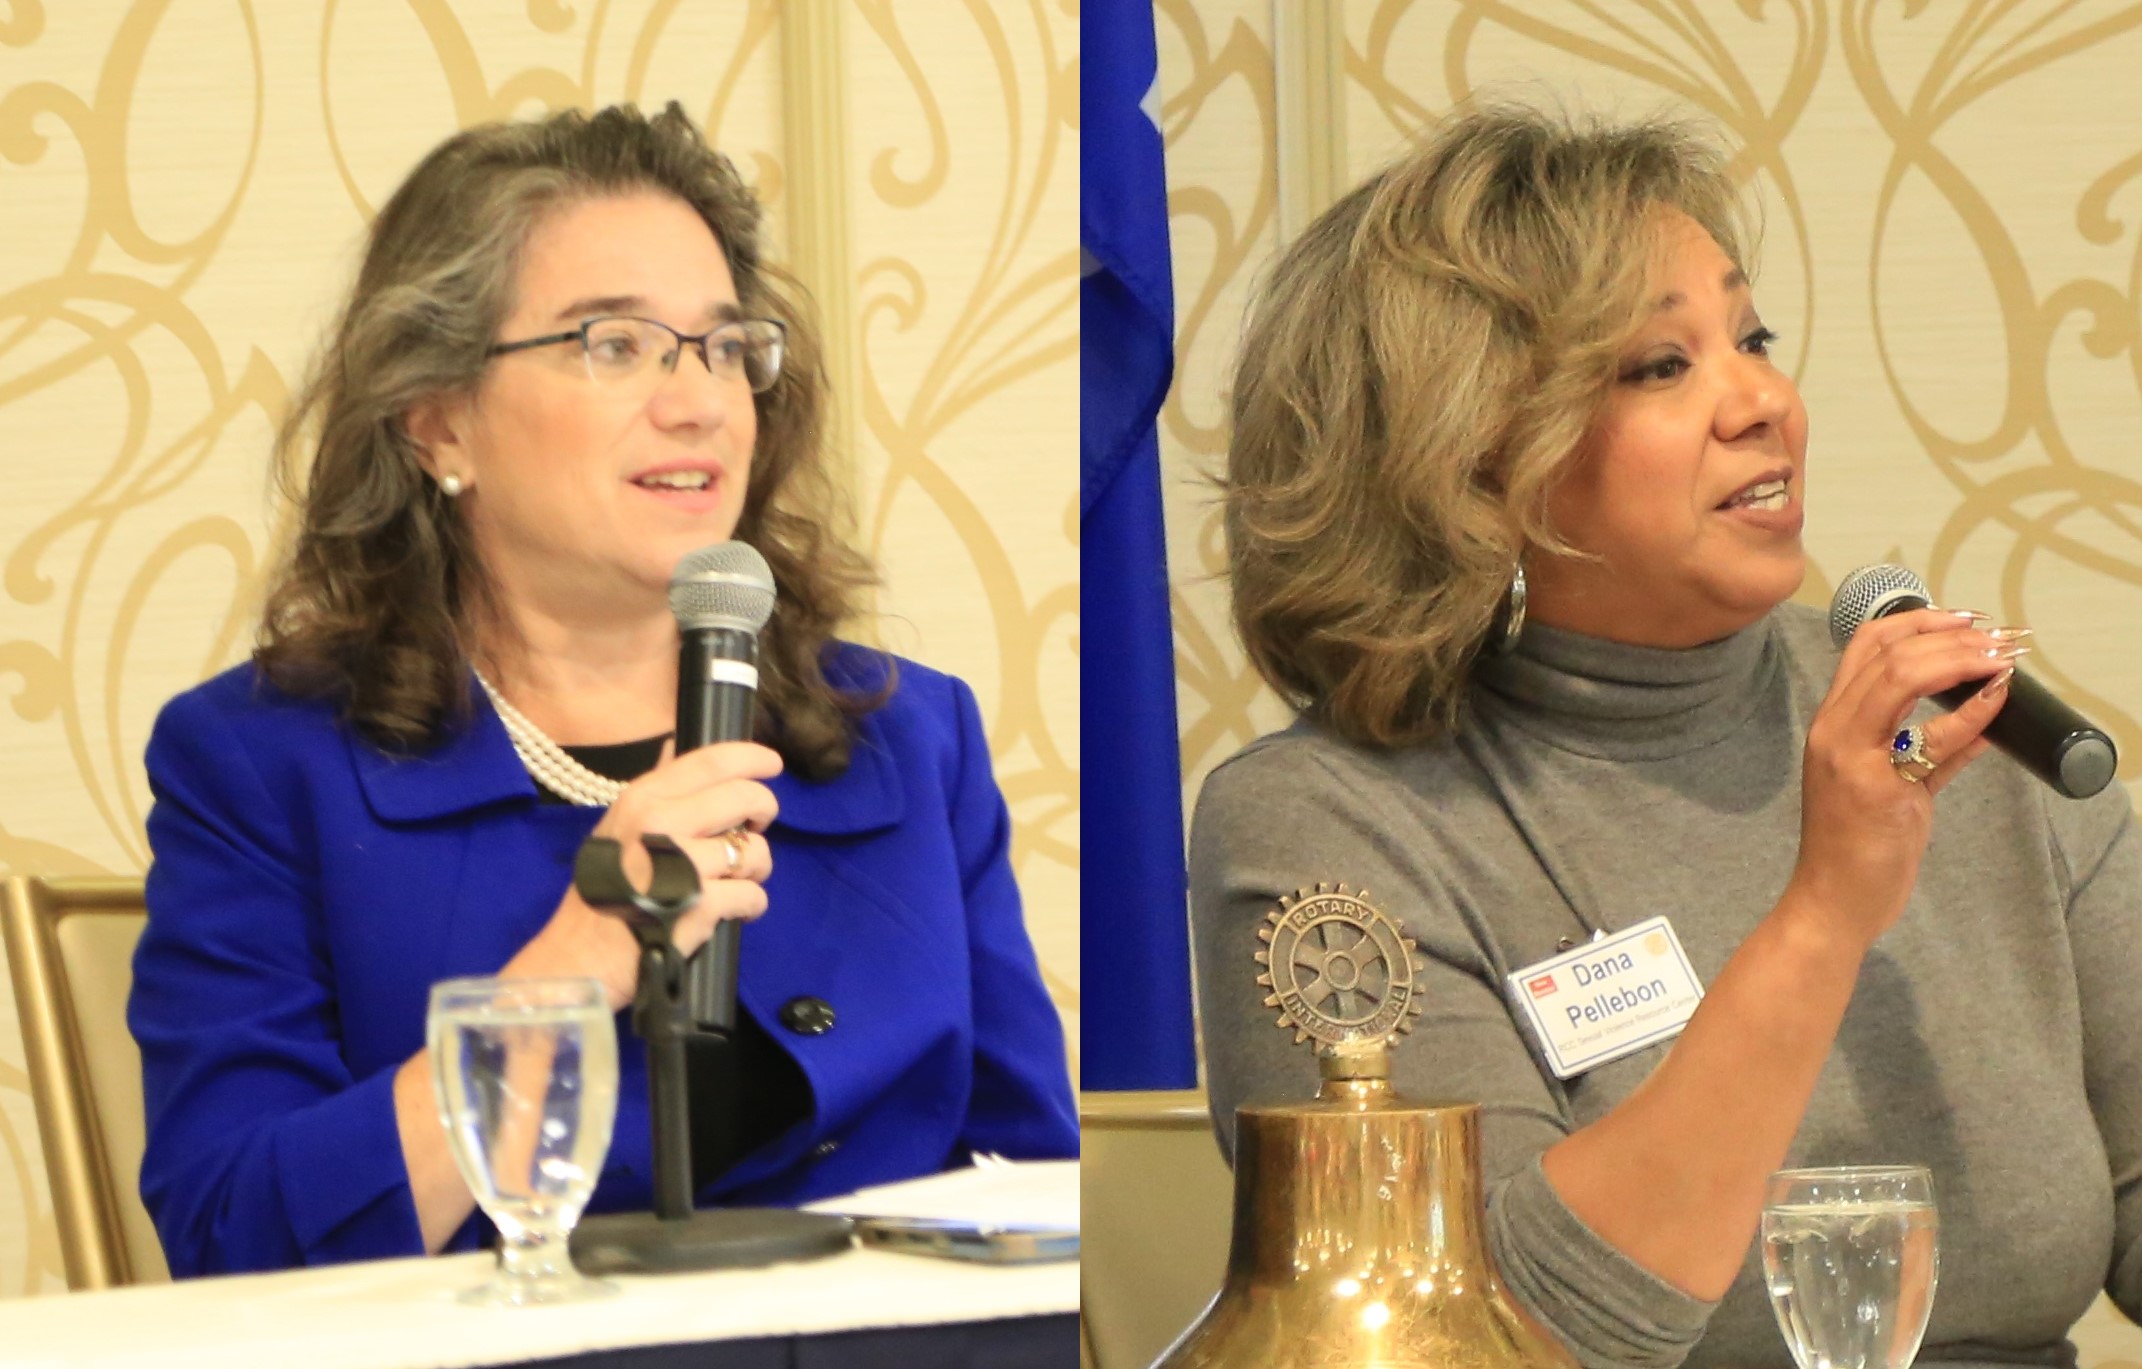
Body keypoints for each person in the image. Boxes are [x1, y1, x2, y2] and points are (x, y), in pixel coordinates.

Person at [1189, 103, 2142, 1368]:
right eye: (1659, 365)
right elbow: (1477, 1335)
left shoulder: (1963, 730)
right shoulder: (1330, 827)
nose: (1763, 401)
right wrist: (1824, 914)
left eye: (1752, 339)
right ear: (1468, 458)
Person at [129, 102, 1077, 1277]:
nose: (699, 401)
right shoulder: (261, 765)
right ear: (438, 423)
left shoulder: (908, 739)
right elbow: (234, 1246)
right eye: (615, 344)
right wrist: (575, 964)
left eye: (724, 347)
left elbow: (1035, 1197)